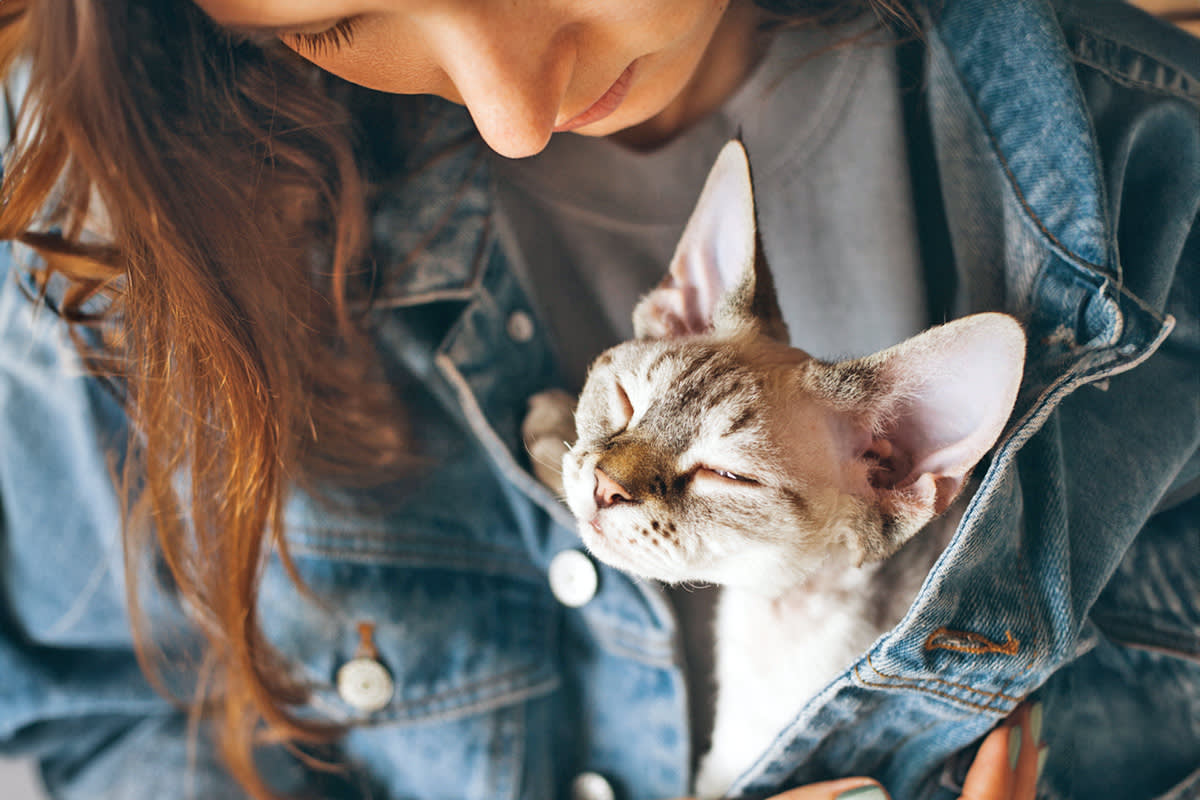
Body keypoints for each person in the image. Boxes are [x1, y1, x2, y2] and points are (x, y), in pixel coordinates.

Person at [0, 0, 1195, 798]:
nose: (513, 110)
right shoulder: (100, 235)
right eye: (334, 23)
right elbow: (101, 721)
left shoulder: (1160, 178)